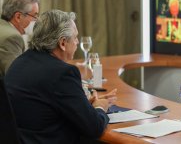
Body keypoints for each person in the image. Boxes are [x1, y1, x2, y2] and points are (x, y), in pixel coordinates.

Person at [5, 10, 117, 143]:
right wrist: (100, 107)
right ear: (63, 43)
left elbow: (43, 107)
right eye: (75, 38)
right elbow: (94, 128)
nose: (76, 42)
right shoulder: (63, 73)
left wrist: (83, 104)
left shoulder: (19, 62)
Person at [0, 0, 39, 77]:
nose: (37, 20)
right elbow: (16, 77)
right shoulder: (12, 37)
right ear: (18, 17)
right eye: (35, 16)